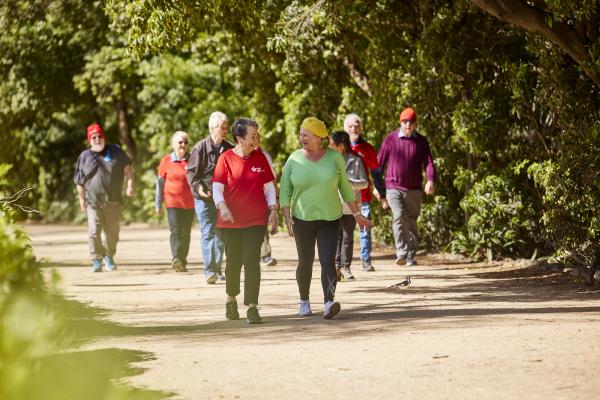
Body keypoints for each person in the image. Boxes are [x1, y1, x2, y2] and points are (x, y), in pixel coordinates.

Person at [280, 117, 370, 320]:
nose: (301, 137)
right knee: (305, 261)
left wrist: (357, 214)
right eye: (301, 133)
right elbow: (285, 190)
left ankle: (329, 302)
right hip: (302, 218)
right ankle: (304, 300)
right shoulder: (294, 159)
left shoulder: (334, 157)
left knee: (328, 260)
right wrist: (287, 217)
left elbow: (345, 188)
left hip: (330, 217)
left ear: (319, 138)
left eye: (306, 134)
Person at [212, 118, 277, 324]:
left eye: (257, 135)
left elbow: (268, 187)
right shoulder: (226, 158)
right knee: (233, 262)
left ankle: (252, 307)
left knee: (251, 260)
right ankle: (231, 299)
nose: (256, 139)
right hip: (230, 221)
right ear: (239, 138)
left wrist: (273, 209)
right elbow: (217, 188)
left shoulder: (260, 157)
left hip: (256, 220)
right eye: (252, 136)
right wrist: (222, 207)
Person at [377, 107, 436, 266]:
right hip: (393, 187)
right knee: (398, 216)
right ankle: (401, 253)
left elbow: (429, 163)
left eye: (411, 121)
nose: (408, 124)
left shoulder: (421, 141)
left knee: (411, 221)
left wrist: (430, 180)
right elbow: (378, 164)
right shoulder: (390, 139)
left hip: (414, 189)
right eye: (405, 121)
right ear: (400, 123)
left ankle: (410, 255)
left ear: (415, 123)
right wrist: (378, 188)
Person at [74, 123, 135, 272]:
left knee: (113, 233)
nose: (97, 139)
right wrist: (82, 200)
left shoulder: (115, 151)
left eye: (99, 136)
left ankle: (109, 256)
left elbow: (128, 170)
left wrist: (130, 185)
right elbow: (79, 182)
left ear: (103, 137)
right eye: (93, 137)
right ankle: (96, 259)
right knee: (94, 231)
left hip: (113, 200)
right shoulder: (84, 156)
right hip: (92, 201)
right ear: (89, 140)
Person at [187, 111, 233, 284]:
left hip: (223, 200)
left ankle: (217, 269)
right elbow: (191, 173)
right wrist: (199, 189)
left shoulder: (229, 149)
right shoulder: (200, 148)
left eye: (226, 127)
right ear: (212, 128)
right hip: (204, 198)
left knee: (221, 234)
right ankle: (209, 270)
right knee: (207, 232)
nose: (225, 130)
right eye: (222, 127)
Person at [345, 113, 386, 272]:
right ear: (345, 128)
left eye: (357, 125)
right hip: (343, 198)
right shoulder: (339, 148)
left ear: (361, 128)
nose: (354, 128)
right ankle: (342, 264)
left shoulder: (367, 149)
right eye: (350, 126)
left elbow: (376, 173)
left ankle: (366, 260)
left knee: (364, 229)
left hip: (364, 197)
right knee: (343, 231)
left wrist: (382, 194)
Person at [329, 131, 369, 281]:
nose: (330, 146)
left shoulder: (356, 160)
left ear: (340, 146)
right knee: (334, 237)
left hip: (351, 207)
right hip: (333, 205)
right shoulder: (329, 161)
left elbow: (365, 183)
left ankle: (346, 267)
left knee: (347, 237)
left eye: (332, 143)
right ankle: (336, 267)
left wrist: (349, 183)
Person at [155, 131, 195, 272]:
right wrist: (158, 203)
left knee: (186, 233)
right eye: (180, 142)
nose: (183, 145)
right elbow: (160, 183)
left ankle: (182, 260)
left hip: (190, 204)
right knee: (176, 231)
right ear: (173, 145)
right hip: (172, 203)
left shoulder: (192, 160)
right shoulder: (166, 161)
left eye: (185, 142)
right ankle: (176, 258)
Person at [258, 142, 278, 268]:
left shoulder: (265, 155)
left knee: (262, 225)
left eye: (256, 137)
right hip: (247, 198)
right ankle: (263, 255)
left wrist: (276, 197)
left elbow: (272, 177)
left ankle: (265, 255)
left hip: (265, 196)